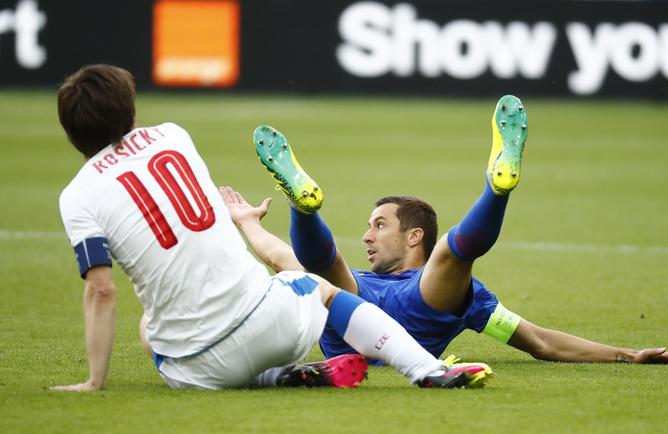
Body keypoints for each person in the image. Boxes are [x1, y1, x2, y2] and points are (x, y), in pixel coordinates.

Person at [51, 64, 495, 392]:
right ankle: (426, 370)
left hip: (196, 368)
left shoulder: (77, 196)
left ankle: (276, 378)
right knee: (315, 285)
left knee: (150, 329)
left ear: (71, 135)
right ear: (130, 113)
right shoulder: (173, 135)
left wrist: (95, 381)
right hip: (273, 324)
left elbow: (103, 290)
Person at [225, 96, 668, 366]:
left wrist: (249, 226)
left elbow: (277, 255)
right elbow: (541, 342)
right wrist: (625, 355)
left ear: (412, 237)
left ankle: (303, 207)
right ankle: (497, 189)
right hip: (418, 309)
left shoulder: (360, 284)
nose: (366, 235)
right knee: (450, 257)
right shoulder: (468, 298)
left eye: (379, 225)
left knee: (324, 274)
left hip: (356, 321)